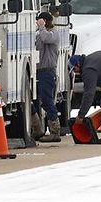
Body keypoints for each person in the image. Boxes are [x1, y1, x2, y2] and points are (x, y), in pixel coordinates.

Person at [35, 11, 65, 142]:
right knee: (35, 101)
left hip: (47, 71)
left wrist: (41, 27)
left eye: (39, 21)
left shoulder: (54, 33)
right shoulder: (40, 33)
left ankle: (54, 131)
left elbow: (46, 38)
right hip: (38, 71)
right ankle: (37, 128)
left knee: (47, 101)